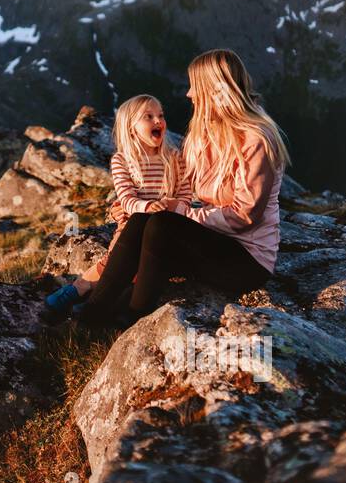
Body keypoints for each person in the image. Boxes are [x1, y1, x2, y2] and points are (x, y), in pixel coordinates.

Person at [78, 49, 289, 326]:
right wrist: (138, 204)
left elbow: (245, 216)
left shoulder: (256, 139)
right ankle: (93, 315)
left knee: (163, 226)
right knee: (143, 220)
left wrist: (181, 212)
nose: (189, 94)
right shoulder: (204, 132)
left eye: (195, 87)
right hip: (211, 239)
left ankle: (131, 319)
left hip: (246, 259)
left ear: (215, 90)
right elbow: (180, 189)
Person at [42, 94, 191, 324]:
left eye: (161, 115)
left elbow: (185, 198)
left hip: (165, 227)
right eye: (148, 117)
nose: (158, 121)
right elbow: (126, 198)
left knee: (144, 267)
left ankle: (92, 296)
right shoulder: (123, 160)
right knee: (118, 261)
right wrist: (148, 206)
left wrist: (169, 205)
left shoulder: (175, 158)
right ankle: (80, 290)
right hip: (133, 223)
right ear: (131, 129)